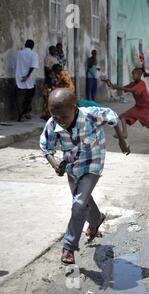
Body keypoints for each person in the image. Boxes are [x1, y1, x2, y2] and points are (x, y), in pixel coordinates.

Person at [40, 88, 130, 265]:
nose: (60, 122)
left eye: (63, 117)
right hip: (72, 164)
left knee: (79, 203)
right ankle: (96, 219)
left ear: (74, 109)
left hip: (93, 161)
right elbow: (46, 147)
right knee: (83, 200)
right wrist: (55, 164)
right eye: (54, 116)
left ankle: (69, 246)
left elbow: (113, 117)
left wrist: (121, 139)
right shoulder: (53, 123)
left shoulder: (91, 115)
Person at [105, 68, 149, 144]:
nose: (132, 76)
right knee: (122, 116)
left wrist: (118, 87)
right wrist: (110, 85)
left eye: (133, 74)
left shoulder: (141, 84)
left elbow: (133, 90)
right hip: (138, 107)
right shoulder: (133, 83)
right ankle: (124, 133)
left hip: (145, 108)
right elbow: (123, 88)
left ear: (139, 75)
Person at [15, 39, 39, 122]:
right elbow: (33, 66)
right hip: (30, 80)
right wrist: (27, 76)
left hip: (19, 79)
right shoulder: (34, 54)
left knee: (19, 98)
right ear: (32, 46)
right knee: (29, 98)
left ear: (25, 44)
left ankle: (20, 115)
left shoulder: (19, 53)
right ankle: (25, 112)